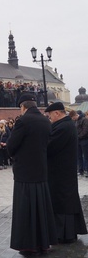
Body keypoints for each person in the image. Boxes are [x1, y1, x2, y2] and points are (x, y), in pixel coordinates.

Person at [7, 92, 57, 255]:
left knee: (26, 210)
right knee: (41, 209)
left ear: (23, 107)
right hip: (41, 171)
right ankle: (43, 242)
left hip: (25, 173)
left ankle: (28, 245)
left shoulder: (23, 121)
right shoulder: (45, 120)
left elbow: (11, 145)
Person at [45, 101, 87, 243]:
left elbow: (49, 146)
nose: (50, 119)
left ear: (57, 113)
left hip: (60, 171)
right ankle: (67, 232)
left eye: (50, 116)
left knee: (62, 202)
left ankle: (64, 234)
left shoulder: (63, 127)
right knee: (65, 200)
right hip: (64, 170)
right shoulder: (66, 125)